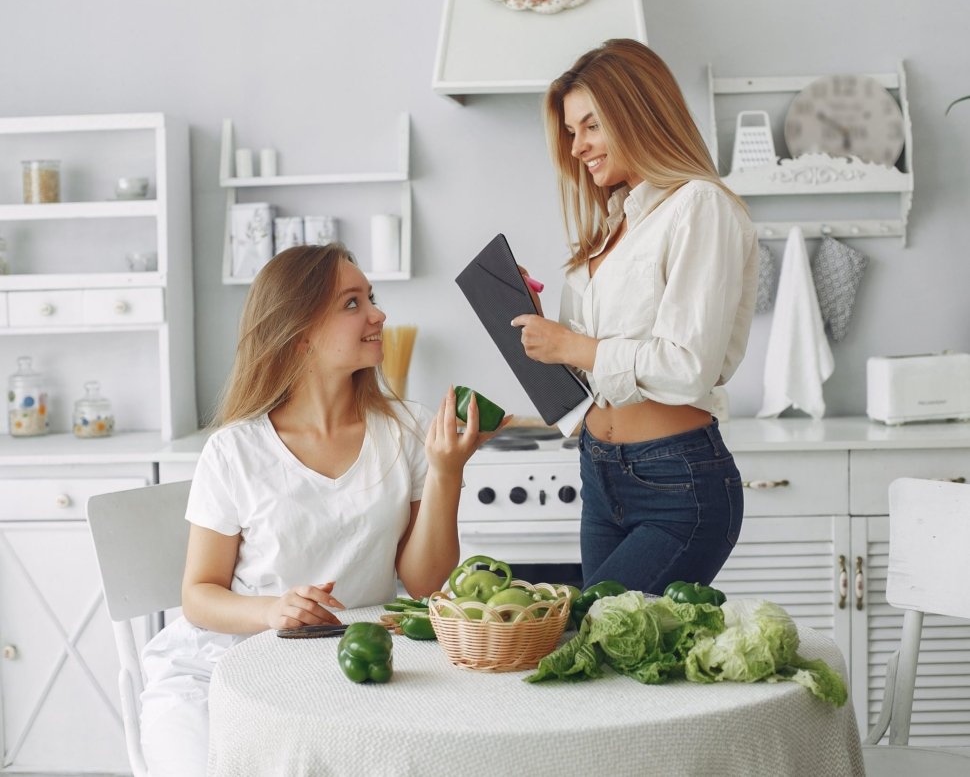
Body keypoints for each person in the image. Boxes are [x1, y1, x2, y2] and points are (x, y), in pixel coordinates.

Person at [139, 244, 501, 776]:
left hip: (347, 661)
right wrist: (272, 610)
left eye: (371, 298)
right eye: (352, 303)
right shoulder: (236, 449)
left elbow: (425, 585)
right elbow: (198, 596)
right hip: (224, 662)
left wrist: (448, 471)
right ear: (300, 330)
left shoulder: (405, 429)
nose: (378, 314)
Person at [512, 39, 759, 596]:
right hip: (599, 472)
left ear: (638, 113)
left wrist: (571, 346)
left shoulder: (700, 206)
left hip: (677, 484)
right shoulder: (612, 226)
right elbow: (594, 373)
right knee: (609, 670)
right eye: (573, 132)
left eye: (591, 126)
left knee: (595, 639)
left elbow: (687, 367)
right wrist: (538, 327)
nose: (577, 147)